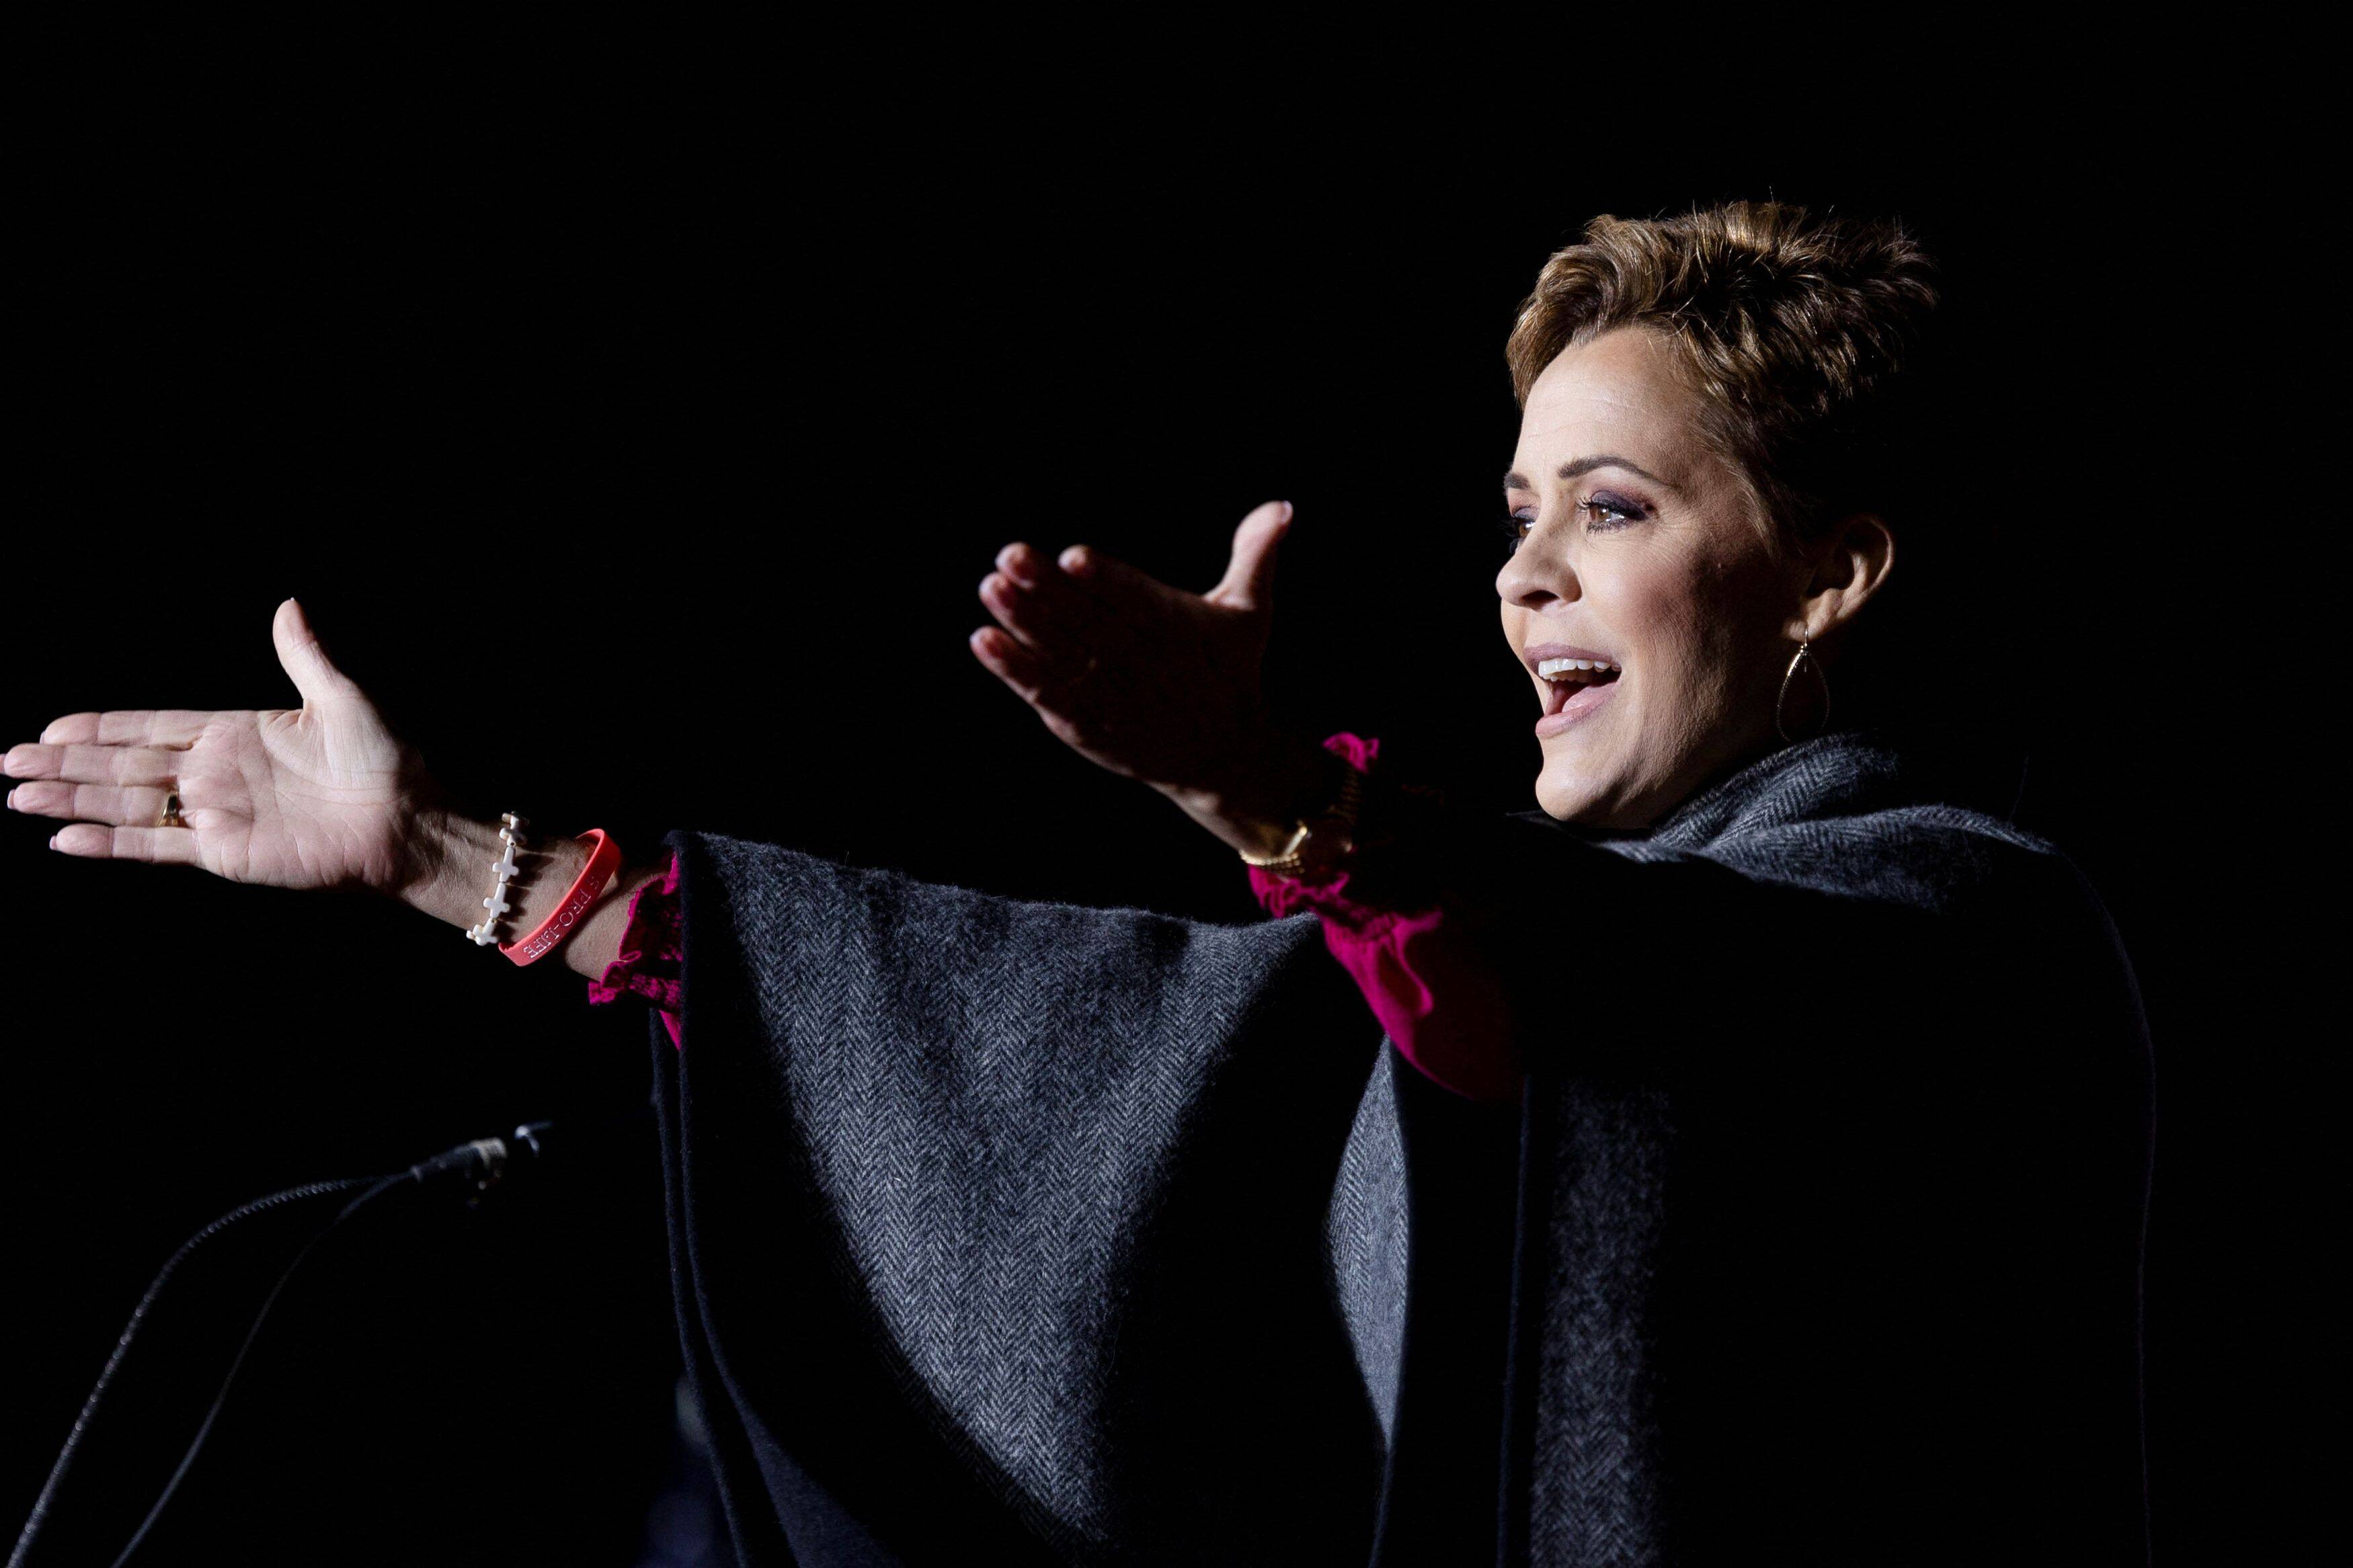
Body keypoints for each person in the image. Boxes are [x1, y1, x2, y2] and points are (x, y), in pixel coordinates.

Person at [6, 200, 2154, 1564]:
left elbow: (1631, 991)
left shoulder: (1964, 930)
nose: (1519, 578)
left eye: (1608, 508)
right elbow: (1131, 1062)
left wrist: (1262, 789)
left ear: (1834, 573)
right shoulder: (1528, 945)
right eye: (1515, 512)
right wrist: (470, 868)